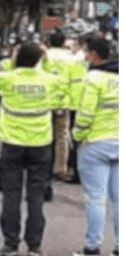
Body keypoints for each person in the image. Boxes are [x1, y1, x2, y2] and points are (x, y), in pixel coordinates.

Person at [0, 42, 67, 256]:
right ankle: (34, 245)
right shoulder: (48, 80)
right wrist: (46, 61)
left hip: (13, 142)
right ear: (39, 58)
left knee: (11, 193)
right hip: (40, 142)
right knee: (36, 195)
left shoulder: (9, 79)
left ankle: (10, 244)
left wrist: (12, 61)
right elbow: (61, 81)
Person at [71, 38, 118, 256]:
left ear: (93, 55)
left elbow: (85, 114)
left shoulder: (94, 79)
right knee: (119, 199)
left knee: (96, 198)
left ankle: (92, 247)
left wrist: (77, 137)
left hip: (96, 143)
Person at [45, 30, 88, 181]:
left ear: (49, 42)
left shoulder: (44, 56)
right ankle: (61, 167)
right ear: (64, 43)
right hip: (64, 101)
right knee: (62, 136)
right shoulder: (71, 58)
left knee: (46, 135)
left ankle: (45, 165)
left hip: (45, 100)